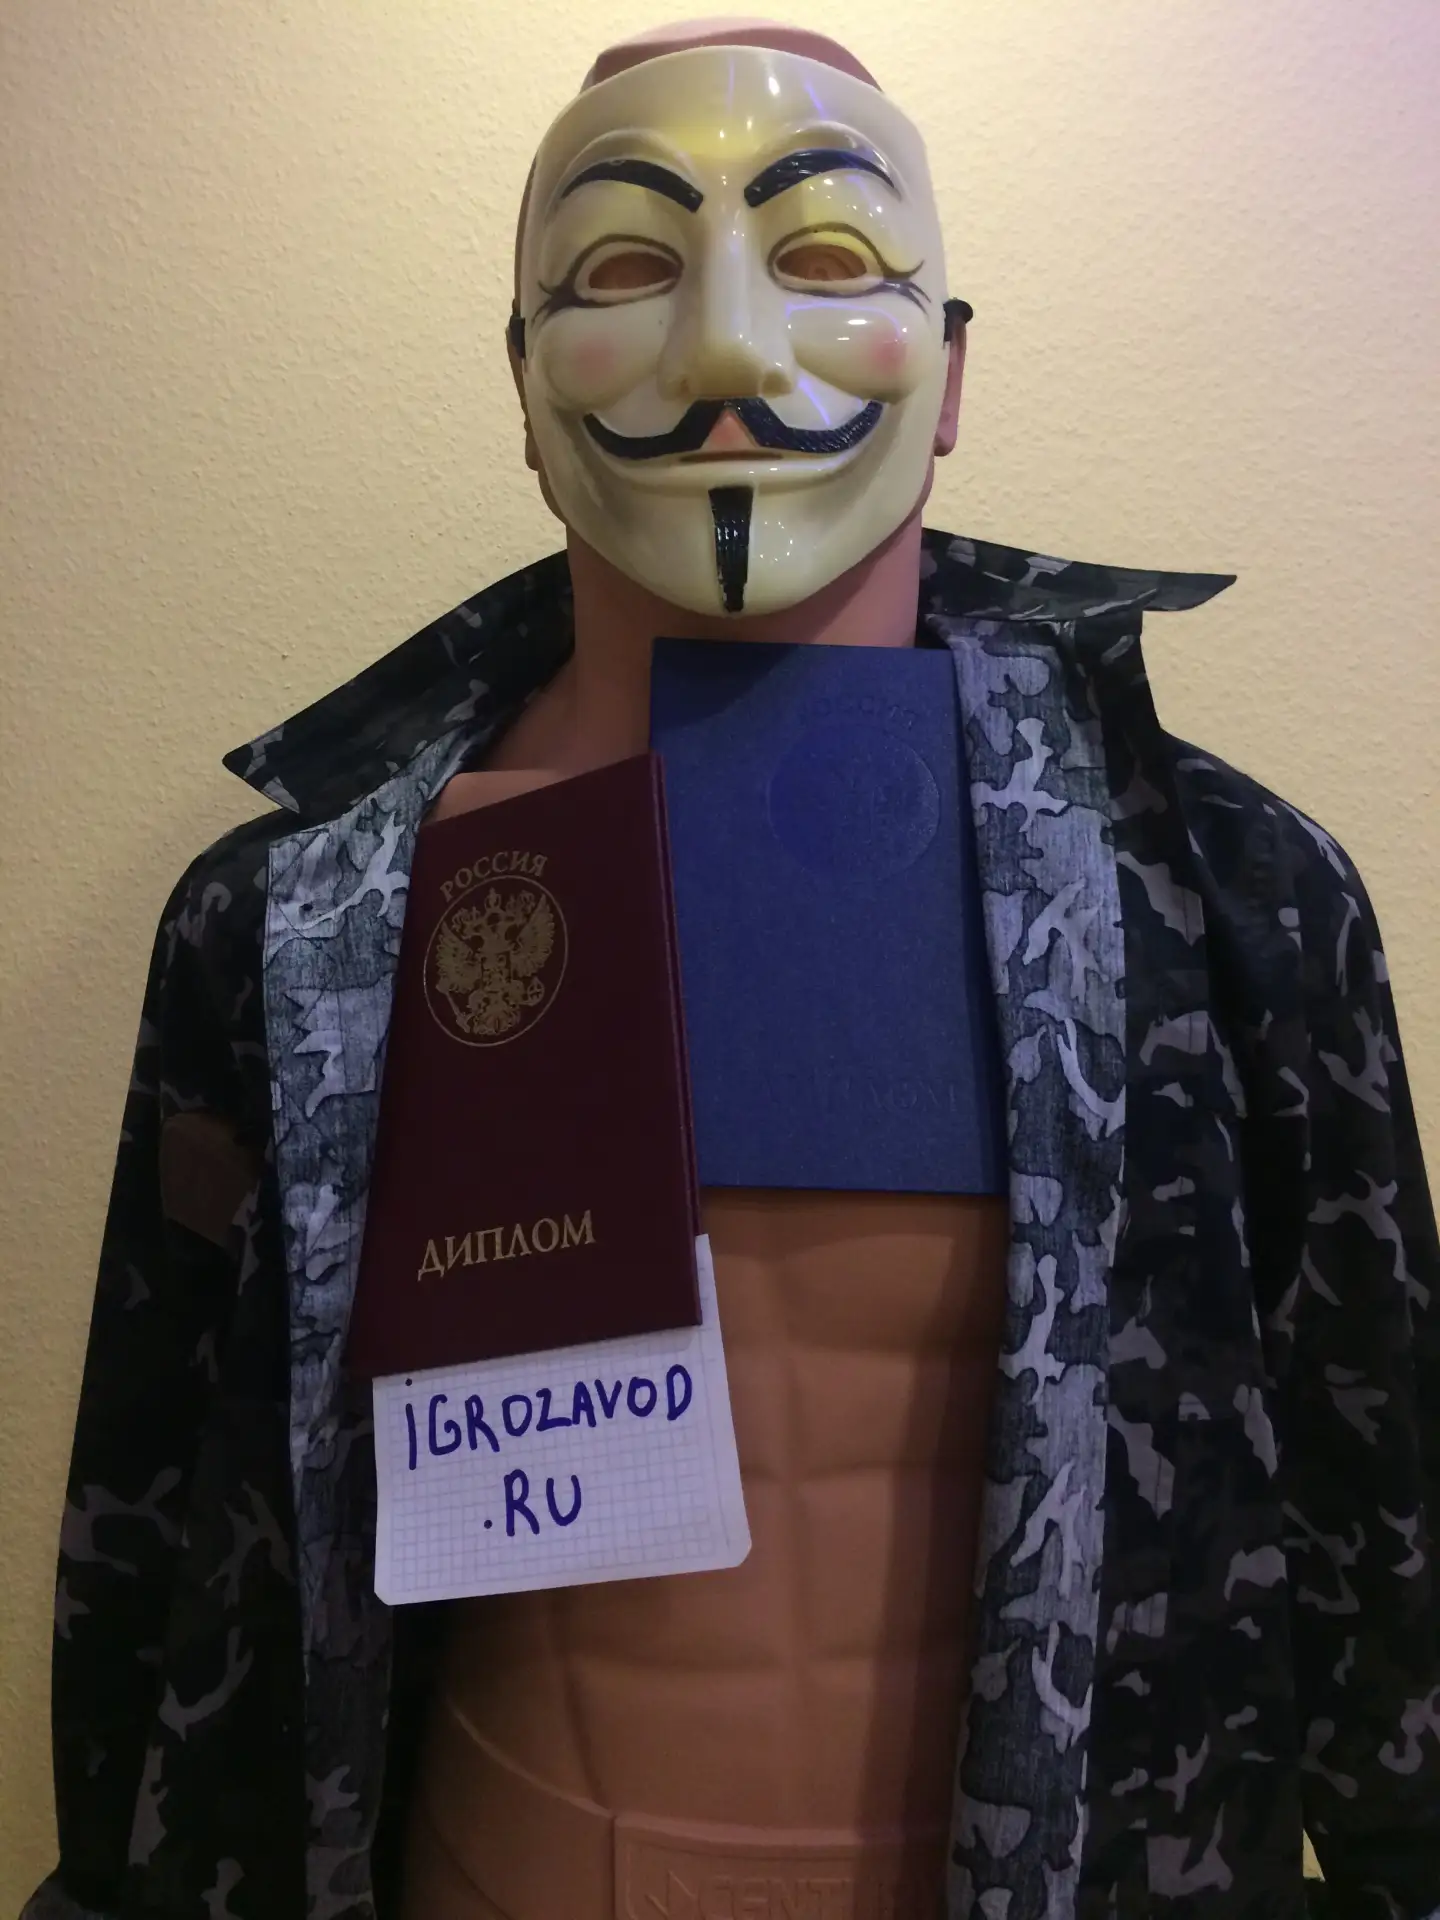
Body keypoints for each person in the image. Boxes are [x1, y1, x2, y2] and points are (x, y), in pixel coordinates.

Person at [24, 20, 1439, 1920]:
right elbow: (151, 1498)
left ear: (949, 371)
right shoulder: (292, 936)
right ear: (522, 378)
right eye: (624, 269)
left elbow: (1374, 1472)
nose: (725, 354)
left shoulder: (1228, 905)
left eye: (828, 257)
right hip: (506, 1864)